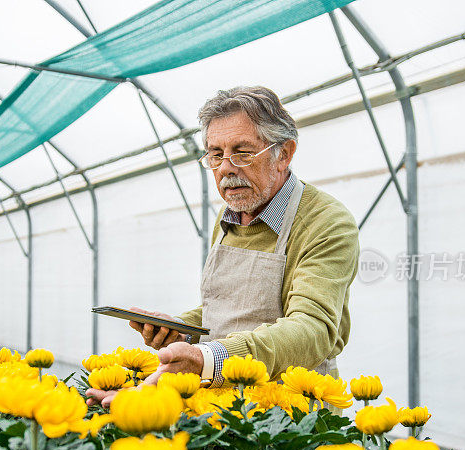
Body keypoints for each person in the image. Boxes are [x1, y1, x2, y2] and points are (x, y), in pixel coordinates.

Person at [87, 86, 359, 410]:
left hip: (293, 421)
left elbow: (312, 329)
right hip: (220, 406)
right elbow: (231, 311)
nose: (226, 168)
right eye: (216, 155)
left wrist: (206, 358)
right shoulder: (229, 215)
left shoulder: (326, 222)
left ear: (284, 153)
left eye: (242, 152)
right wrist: (181, 331)